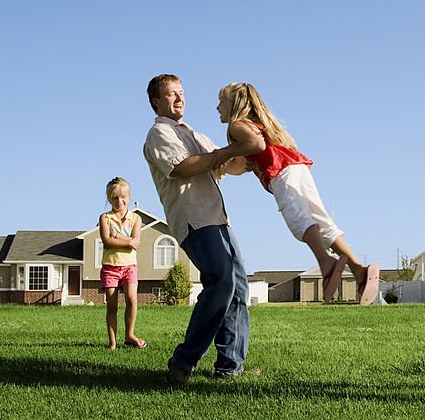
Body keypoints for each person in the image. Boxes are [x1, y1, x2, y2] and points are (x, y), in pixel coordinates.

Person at [216, 83, 381, 305]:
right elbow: (240, 164)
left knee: (298, 220)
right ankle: (358, 269)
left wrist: (220, 154)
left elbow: (255, 144)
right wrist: (222, 166)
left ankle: (326, 262)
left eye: (221, 101)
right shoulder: (260, 124)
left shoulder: (236, 127)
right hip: (297, 168)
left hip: (281, 173)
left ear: (234, 104)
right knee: (321, 221)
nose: (217, 107)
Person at [143, 74, 257, 387]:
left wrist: (252, 150)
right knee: (220, 281)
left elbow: (227, 165)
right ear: (156, 101)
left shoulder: (191, 132)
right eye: (171, 94)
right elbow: (183, 167)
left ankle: (230, 365)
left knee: (238, 286)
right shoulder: (159, 134)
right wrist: (225, 152)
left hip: (219, 219)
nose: (179, 99)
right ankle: (182, 362)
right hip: (195, 220)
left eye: (181, 93)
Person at [98, 177, 146, 350]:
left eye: (123, 197)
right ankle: (112, 342)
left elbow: (137, 242)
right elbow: (107, 241)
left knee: (132, 300)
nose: (119, 201)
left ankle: (129, 335)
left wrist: (118, 236)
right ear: (109, 199)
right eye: (114, 198)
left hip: (129, 267)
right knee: (112, 305)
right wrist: (127, 241)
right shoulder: (105, 218)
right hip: (110, 267)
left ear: (129, 197)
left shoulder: (136, 219)